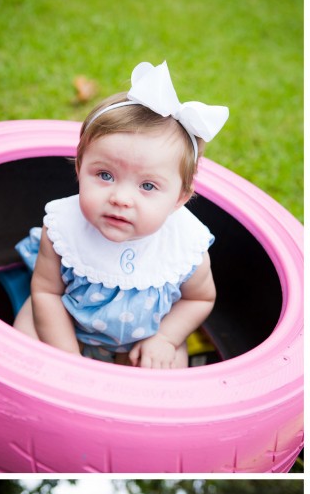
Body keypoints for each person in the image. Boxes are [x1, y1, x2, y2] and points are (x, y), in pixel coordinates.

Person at [13, 61, 229, 368]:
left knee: (167, 374)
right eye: (104, 175)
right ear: (79, 169)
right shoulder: (63, 230)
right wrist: (68, 359)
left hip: (142, 340)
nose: (121, 198)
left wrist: (165, 338)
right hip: (63, 327)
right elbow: (46, 293)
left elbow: (199, 299)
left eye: (148, 185)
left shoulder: (184, 247)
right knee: (24, 344)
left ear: (180, 197)